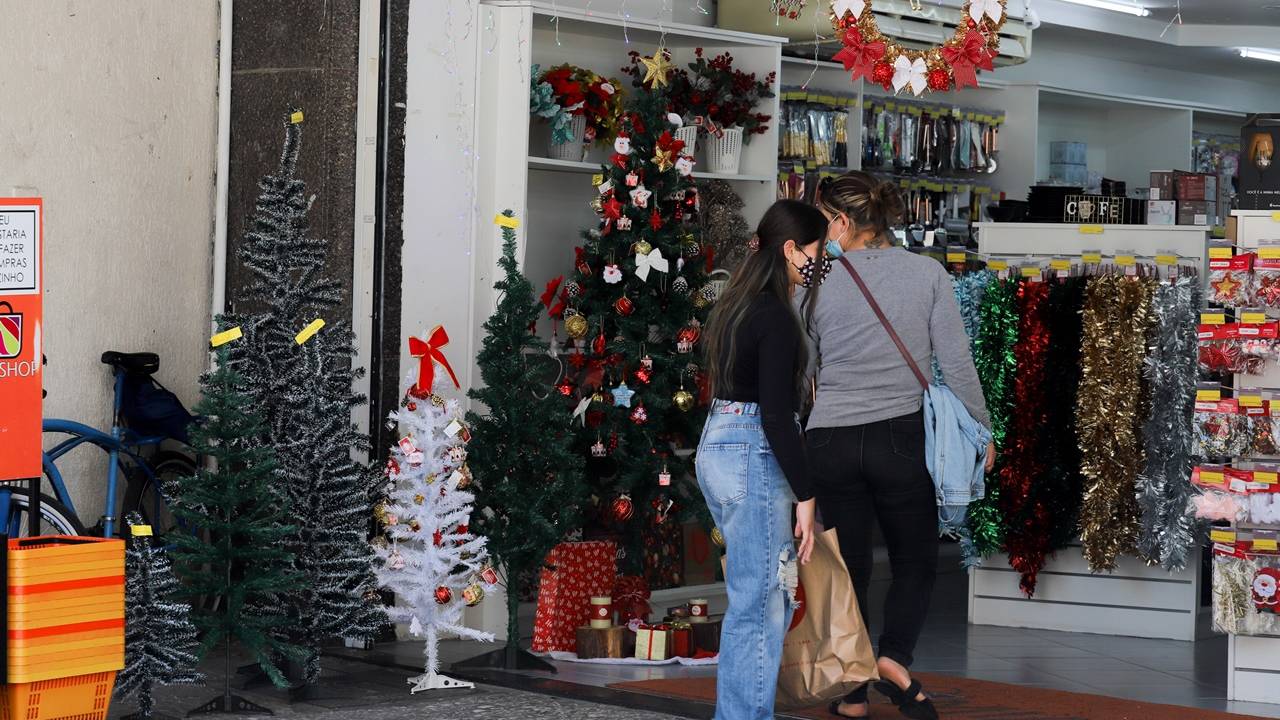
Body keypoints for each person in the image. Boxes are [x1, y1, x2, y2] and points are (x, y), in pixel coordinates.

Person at [807, 172, 994, 720]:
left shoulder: (814, 278)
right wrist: (979, 430)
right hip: (899, 435)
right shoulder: (926, 274)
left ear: (842, 221)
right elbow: (955, 362)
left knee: (849, 565)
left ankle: (852, 691)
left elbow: (805, 366)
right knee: (914, 559)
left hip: (828, 436)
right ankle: (894, 657)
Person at [697, 199, 830, 720]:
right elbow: (776, 416)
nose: (821, 263)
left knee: (752, 599)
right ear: (792, 249)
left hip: (721, 442)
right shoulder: (774, 314)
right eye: (818, 251)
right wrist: (806, 491)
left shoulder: (737, 302)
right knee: (760, 606)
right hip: (753, 449)